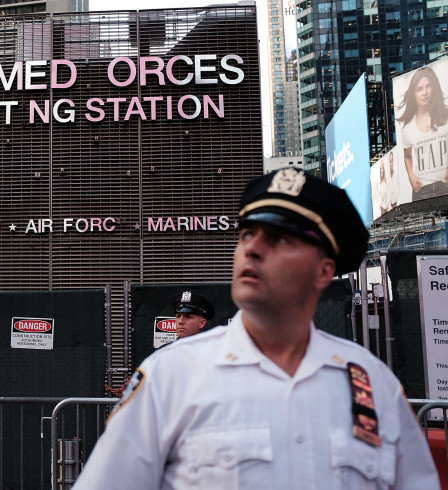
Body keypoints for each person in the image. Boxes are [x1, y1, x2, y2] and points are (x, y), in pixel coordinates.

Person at [73, 167, 440, 489]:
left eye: (280, 239)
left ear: (324, 271)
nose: (252, 249)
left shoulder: (373, 384)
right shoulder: (169, 378)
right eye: (247, 234)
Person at [396, 66, 448, 201]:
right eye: (419, 89)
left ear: (434, 88)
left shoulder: (445, 116)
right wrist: (411, 176)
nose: (424, 93)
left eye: (428, 86)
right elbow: (407, 156)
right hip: (422, 192)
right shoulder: (407, 128)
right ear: (413, 93)